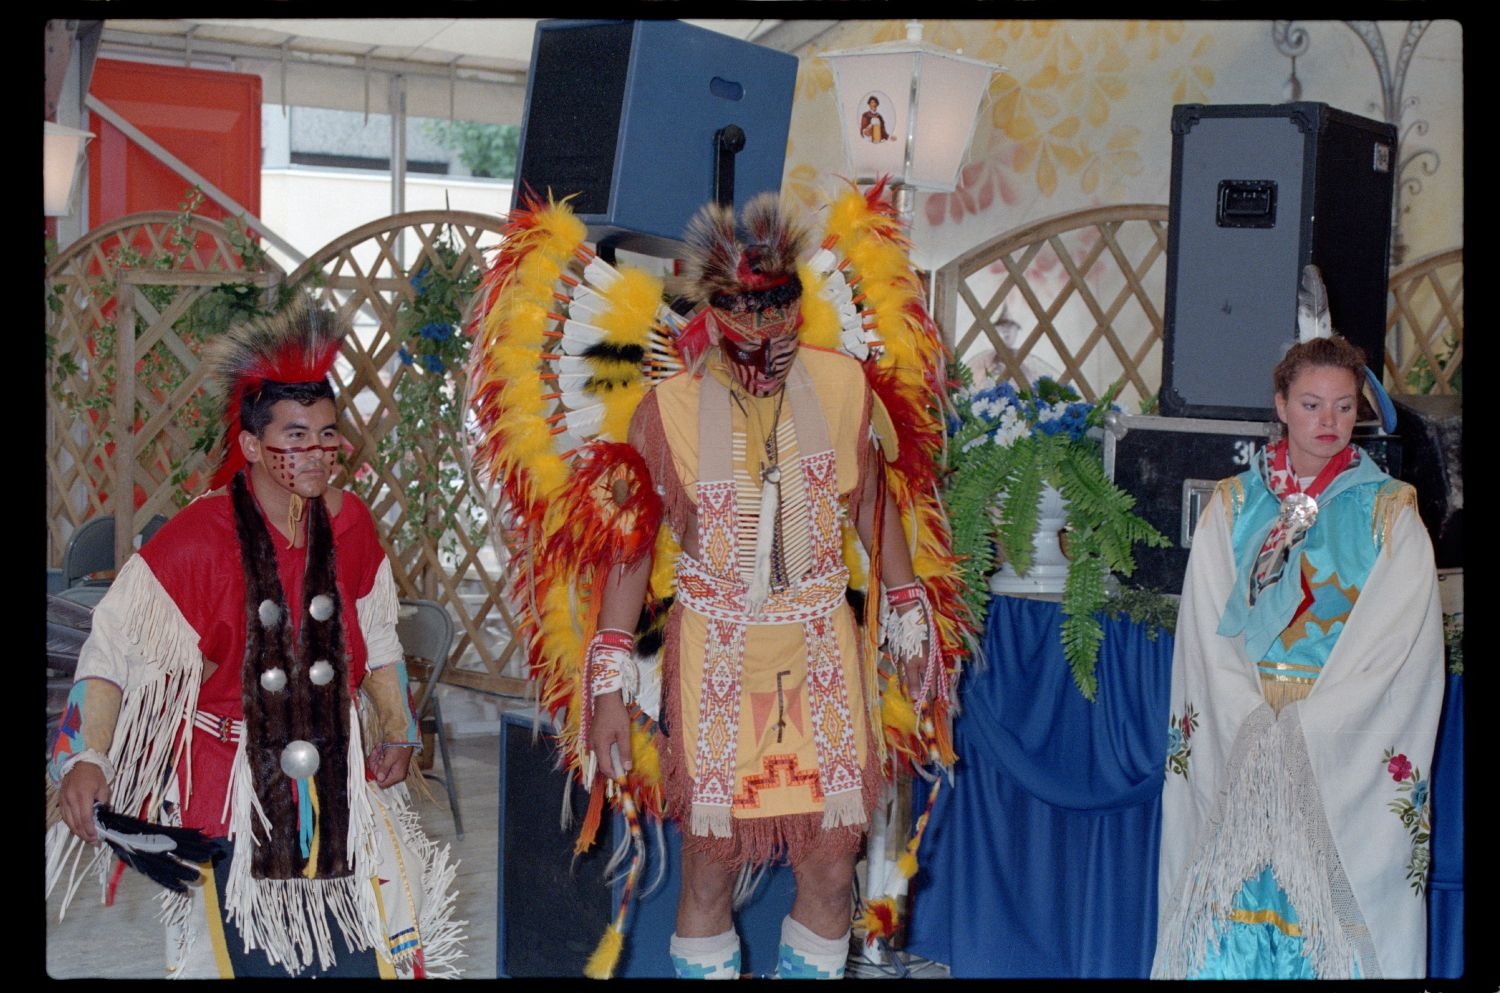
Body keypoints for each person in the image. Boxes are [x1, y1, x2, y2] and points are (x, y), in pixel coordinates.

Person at [45, 295, 464, 978]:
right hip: (232, 796)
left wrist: (395, 721)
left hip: (339, 790)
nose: (316, 451)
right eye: (295, 435)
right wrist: (86, 755)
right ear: (249, 446)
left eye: (327, 433)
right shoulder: (199, 541)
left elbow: (375, 627)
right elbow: (111, 646)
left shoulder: (349, 524)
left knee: (365, 962)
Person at [1152, 331, 1444, 979]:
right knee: (1230, 918)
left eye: (1344, 407)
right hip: (1244, 728)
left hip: (1336, 735)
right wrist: (1254, 722)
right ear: (1280, 404)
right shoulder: (1232, 506)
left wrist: (1310, 728)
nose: (1329, 422)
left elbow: (1400, 644)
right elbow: (1205, 632)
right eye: (1312, 404)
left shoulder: (1389, 514)